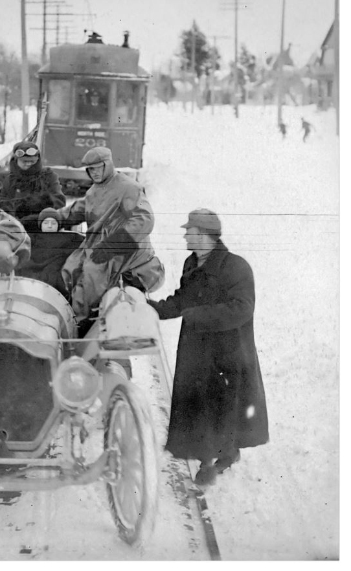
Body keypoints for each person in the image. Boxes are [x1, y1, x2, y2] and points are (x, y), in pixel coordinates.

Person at [148, 209, 269, 487]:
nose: (185, 235)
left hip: (227, 352)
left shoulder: (236, 266)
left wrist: (197, 315)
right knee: (199, 405)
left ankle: (210, 463)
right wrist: (154, 309)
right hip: (196, 349)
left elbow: (242, 309)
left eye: (189, 230)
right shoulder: (192, 263)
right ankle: (215, 454)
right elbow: (181, 300)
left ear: (204, 234)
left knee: (221, 405)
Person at [60, 146, 164, 320]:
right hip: (100, 248)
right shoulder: (94, 191)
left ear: (107, 165)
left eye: (97, 167)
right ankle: (69, 313)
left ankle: (79, 321)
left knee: (91, 276)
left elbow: (144, 219)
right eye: (90, 169)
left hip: (124, 254)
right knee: (69, 268)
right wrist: (54, 217)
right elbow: (78, 210)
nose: (93, 173)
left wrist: (114, 244)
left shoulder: (128, 187)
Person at [16, 207, 83, 296]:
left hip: (54, 273)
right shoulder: (31, 238)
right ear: (40, 225)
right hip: (32, 272)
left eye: (53, 223)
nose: (50, 226)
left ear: (58, 225)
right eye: (46, 223)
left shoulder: (69, 238)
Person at [0, 141, 66, 224]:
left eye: (32, 161)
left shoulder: (48, 176)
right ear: (15, 160)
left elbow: (59, 201)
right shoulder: (3, 179)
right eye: (24, 161)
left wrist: (36, 207)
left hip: (42, 225)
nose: (28, 164)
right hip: (11, 225)